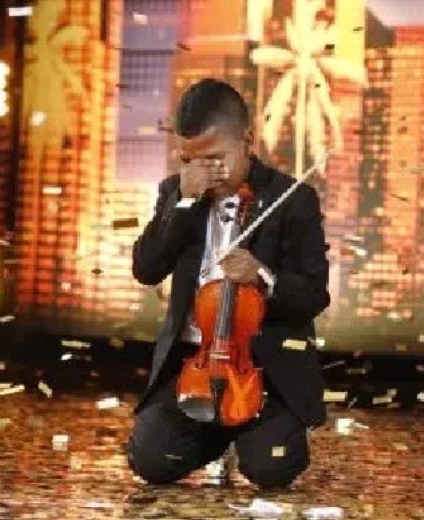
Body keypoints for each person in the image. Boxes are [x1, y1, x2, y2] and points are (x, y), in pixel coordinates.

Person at [125, 78, 330, 489]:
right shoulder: (177, 192)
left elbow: (313, 295)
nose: (204, 173)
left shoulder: (292, 198)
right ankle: (216, 438)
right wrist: (183, 202)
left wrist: (263, 276)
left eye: (215, 159)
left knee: (272, 468)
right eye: (190, 160)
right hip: (195, 368)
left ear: (247, 141)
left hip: (263, 370)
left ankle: (248, 437)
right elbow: (146, 268)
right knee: (150, 460)